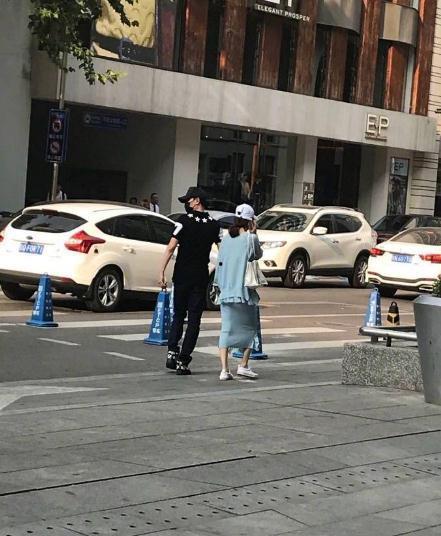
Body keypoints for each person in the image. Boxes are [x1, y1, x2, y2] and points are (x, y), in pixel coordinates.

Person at [158, 187, 221, 375]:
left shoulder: (183, 221)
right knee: (194, 319)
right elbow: (222, 250)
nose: (187, 203)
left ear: (197, 201)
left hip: (182, 275)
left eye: (189, 200)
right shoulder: (214, 225)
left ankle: (172, 351)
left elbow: (170, 248)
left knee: (178, 314)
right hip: (200, 277)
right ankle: (183, 361)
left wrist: (161, 271)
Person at [214, 203, 263, 381]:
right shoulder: (251, 238)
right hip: (244, 290)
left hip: (226, 289)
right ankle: (243, 365)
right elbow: (257, 255)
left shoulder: (226, 238)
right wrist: (255, 233)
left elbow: (220, 262)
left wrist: (217, 285)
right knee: (250, 328)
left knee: (226, 329)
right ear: (251, 221)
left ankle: (224, 370)